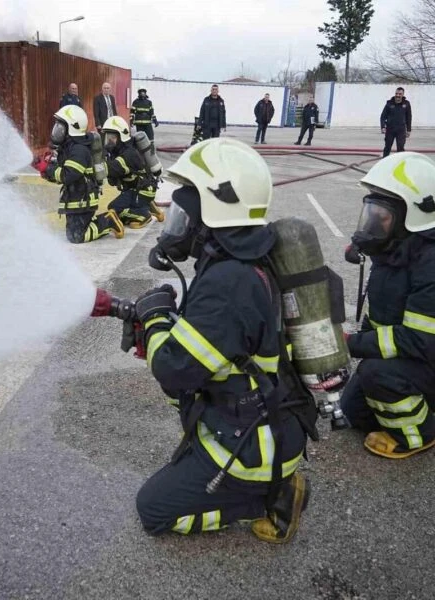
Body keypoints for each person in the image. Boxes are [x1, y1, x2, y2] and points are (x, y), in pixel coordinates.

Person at [134, 138, 316, 543]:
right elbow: (210, 342)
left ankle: (272, 498)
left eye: (185, 213)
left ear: (213, 214)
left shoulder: (228, 283)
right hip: (259, 418)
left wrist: (155, 319)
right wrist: (161, 321)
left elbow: (174, 369)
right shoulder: (240, 259)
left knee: (154, 511)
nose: (177, 225)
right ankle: (257, 484)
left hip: (254, 444)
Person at [341, 151, 435, 458]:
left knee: (377, 375)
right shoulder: (398, 247)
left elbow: (418, 340)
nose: (373, 222)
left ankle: (420, 434)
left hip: (426, 357)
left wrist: (351, 344)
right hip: (414, 359)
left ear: (412, 218)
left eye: (381, 216)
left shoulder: (430, 265)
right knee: (354, 412)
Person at [34, 105, 124, 244]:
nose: (57, 130)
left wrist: (48, 169)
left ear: (72, 128)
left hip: (83, 200)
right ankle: (99, 222)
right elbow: (64, 175)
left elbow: (69, 175)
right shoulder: (70, 147)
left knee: (77, 237)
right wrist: (47, 171)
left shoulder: (79, 150)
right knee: (72, 233)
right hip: (76, 198)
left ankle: (108, 221)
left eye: (60, 126)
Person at [101, 116, 164, 229]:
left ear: (122, 136)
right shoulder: (120, 150)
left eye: (113, 137)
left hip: (141, 190)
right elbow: (113, 180)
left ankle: (144, 215)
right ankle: (148, 206)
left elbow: (113, 169)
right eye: (107, 137)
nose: (109, 140)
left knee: (113, 209)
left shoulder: (129, 154)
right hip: (137, 189)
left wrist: (93, 166)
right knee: (119, 211)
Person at [380, 87, 412, 158]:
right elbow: (383, 116)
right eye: (396, 93)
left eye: (400, 94)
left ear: (403, 95)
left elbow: (409, 117)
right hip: (390, 129)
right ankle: (384, 163)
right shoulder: (389, 103)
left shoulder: (406, 104)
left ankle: (400, 163)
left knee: (400, 148)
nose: (397, 95)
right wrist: (383, 127)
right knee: (387, 147)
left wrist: (409, 130)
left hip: (401, 130)